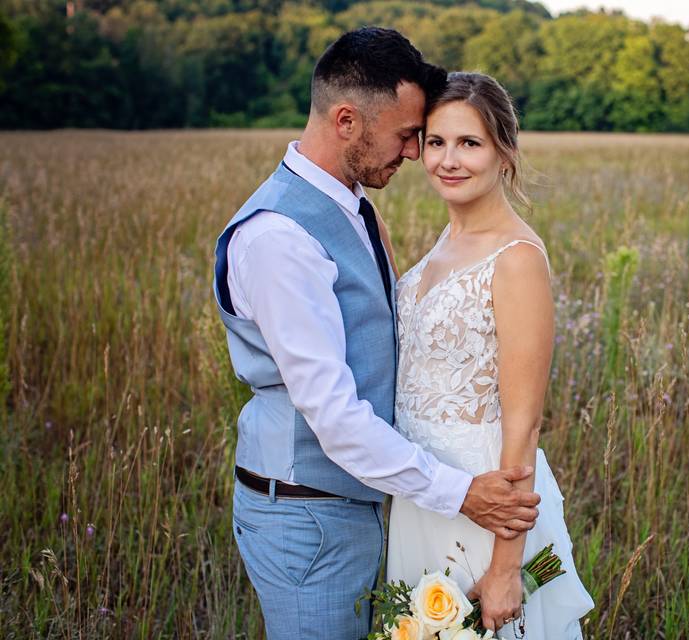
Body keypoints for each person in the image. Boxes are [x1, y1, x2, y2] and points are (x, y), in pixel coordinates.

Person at [211, 30, 540, 640]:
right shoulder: (281, 238)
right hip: (308, 514)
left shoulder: (351, 209)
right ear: (346, 121)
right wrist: (461, 493)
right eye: (409, 134)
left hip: (379, 505)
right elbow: (334, 417)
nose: (418, 154)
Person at [385, 72, 594, 638]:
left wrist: (506, 568)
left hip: (489, 502)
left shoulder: (516, 258)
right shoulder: (444, 242)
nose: (449, 160)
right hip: (426, 497)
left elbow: (523, 427)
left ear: (504, 151)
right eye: (436, 142)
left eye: (469, 143)